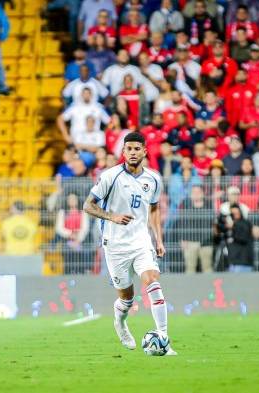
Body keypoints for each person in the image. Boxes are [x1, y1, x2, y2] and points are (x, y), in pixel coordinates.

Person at [83, 132, 176, 355]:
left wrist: (158, 239)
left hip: (141, 241)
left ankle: (163, 338)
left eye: (137, 149)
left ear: (144, 151)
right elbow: (88, 205)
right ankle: (120, 323)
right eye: (129, 149)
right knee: (126, 299)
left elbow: (154, 209)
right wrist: (111, 216)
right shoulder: (110, 176)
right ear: (123, 152)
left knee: (152, 280)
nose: (133, 153)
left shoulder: (153, 179)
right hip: (114, 245)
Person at [226, 204, 254, 273]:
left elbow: (243, 237)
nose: (235, 215)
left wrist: (233, 227)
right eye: (233, 213)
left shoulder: (245, 223)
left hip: (243, 261)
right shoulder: (230, 225)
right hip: (232, 262)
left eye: (237, 213)